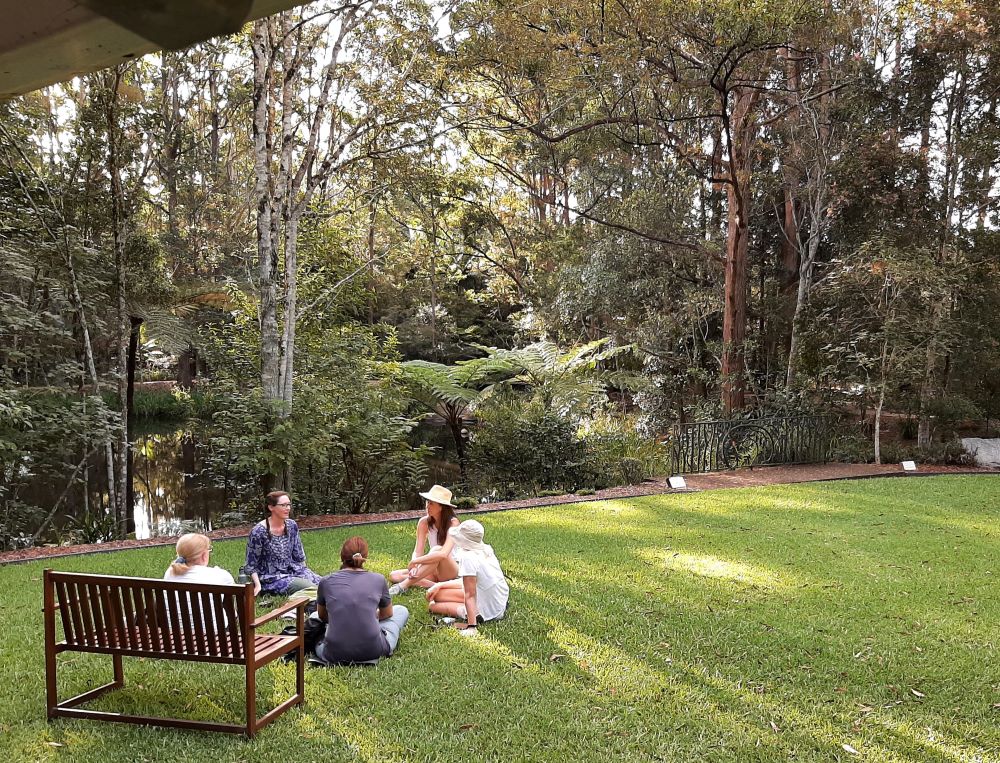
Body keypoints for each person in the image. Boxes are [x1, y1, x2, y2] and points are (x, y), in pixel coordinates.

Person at [314, 536, 410, 665]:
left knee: (314, 617)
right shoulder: (378, 579)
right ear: (365, 557)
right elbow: (387, 614)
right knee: (401, 610)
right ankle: (370, 627)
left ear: (342, 556)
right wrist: (369, 615)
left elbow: (322, 616)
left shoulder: (326, 582)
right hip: (375, 650)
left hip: (333, 653)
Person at [426, 520, 508, 636]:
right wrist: (440, 585)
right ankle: (468, 612)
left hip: (489, 610)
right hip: (498, 600)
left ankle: (471, 615)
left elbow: (470, 594)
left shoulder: (468, 557)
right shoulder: (485, 549)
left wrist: (471, 626)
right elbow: (470, 582)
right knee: (438, 594)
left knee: (433, 605)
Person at [387, 484, 460, 596]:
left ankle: (402, 586)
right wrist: (415, 567)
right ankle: (435, 586)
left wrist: (416, 562)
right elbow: (418, 550)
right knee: (394, 575)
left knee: (437, 550)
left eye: (431, 503)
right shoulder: (423, 523)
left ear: (441, 507)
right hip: (433, 566)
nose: (427, 506)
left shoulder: (453, 523)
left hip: (451, 568)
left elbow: (443, 554)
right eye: (427, 502)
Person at [244, 491, 321, 596]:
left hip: (293, 570)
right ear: (271, 507)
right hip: (272, 578)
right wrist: (258, 585)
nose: (288, 508)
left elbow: (299, 556)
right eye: (283, 505)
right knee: (311, 588)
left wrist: (306, 573)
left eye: (289, 504)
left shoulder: (291, 525)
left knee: (325, 584)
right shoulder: (259, 531)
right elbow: (251, 565)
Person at [163, 532, 234, 629]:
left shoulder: (169, 573)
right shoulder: (220, 575)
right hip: (213, 639)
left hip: (177, 637)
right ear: (204, 555)